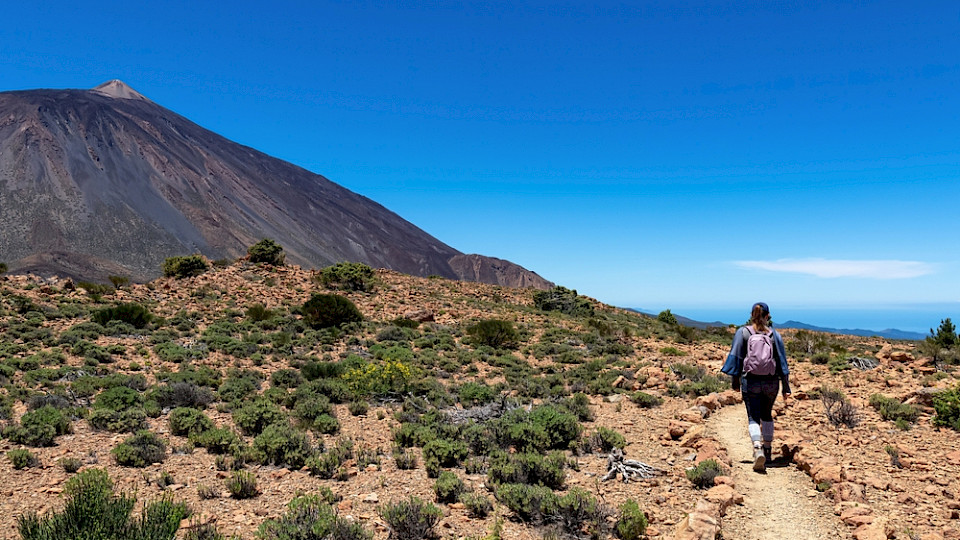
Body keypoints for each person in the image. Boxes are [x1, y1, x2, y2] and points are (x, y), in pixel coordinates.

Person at [720, 302, 791, 472]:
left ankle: (757, 447)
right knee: (767, 414)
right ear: (768, 316)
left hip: (750, 380)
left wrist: (735, 381)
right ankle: (767, 452)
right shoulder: (775, 335)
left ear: (752, 315)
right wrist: (786, 387)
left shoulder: (743, 332)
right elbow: (782, 362)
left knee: (753, 416)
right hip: (771, 382)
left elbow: (736, 357)